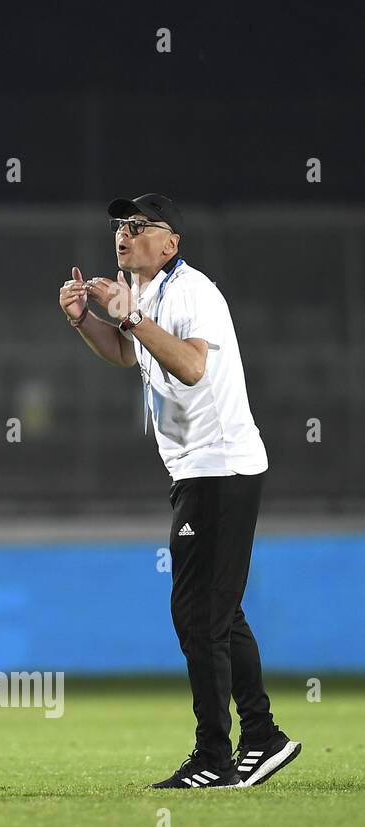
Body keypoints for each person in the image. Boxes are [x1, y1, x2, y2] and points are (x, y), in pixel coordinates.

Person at [58, 192, 300, 788]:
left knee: (197, 616)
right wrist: (88, 322)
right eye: (120, 224)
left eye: (141, 226)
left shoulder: (193, 291)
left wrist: (130, 316)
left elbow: (190, 366)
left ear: (171, 243)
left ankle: (215, 758)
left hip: (220, 467)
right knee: (218, 613)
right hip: (199, 469)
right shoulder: (143, 292)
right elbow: (128, 354)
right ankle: (263, 735)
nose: (125, 233)